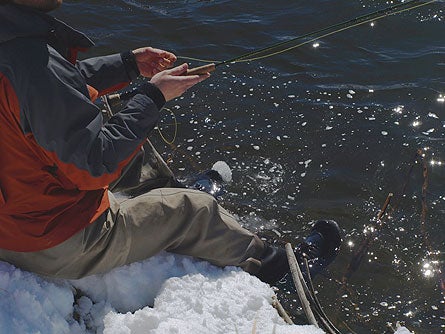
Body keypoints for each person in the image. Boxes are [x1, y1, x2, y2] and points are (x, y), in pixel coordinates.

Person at [0, 0, 341, 286]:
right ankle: (280, 269)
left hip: (15, 213)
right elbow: (95, 164)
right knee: (192, 211)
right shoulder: (30, 61)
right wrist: (153, 96)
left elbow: (51, 87)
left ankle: (166, 191)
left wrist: (127, 65)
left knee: (125, 139)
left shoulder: (14, 45)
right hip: (49, 240)